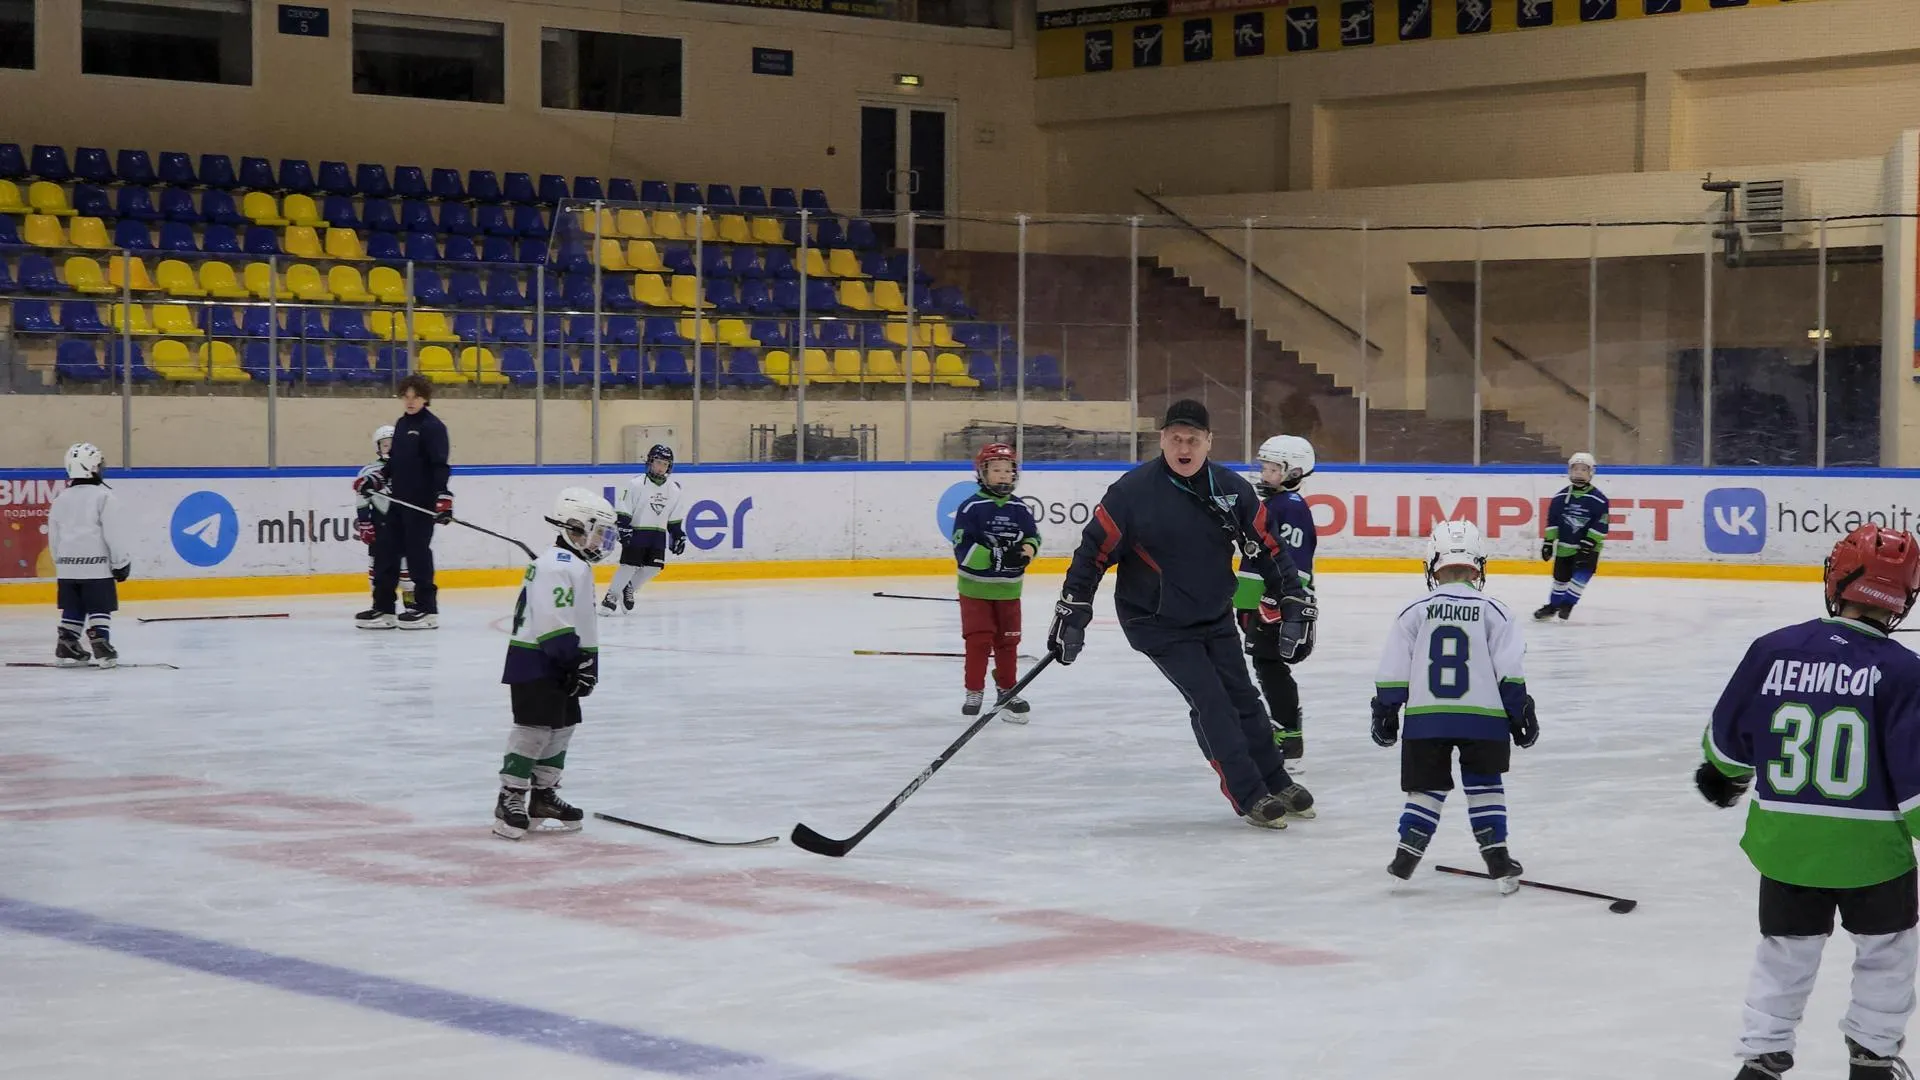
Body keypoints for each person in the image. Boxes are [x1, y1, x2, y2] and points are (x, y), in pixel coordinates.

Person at [1697, 524, 1920, 1080]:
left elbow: (1727, 740)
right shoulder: (1905, 672)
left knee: (1786, 950)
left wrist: (1723, 775)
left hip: (1787, 845)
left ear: (1838, 578)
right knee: (1886, 952)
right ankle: (1872, 1057)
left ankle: (1762, 1056)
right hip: (1873, 853)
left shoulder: (1772, 650)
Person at [1049, 399, 1318, 829]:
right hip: (1156, 621)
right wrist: (1073, 608)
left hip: (1213, 614)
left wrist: (1293, 596)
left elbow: (1267, 548)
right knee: (1212, 702)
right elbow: (1092, 552)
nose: (1184, 446)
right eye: (1175, 438)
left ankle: (1276, 780)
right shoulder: (1132, 493)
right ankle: (1249, 793)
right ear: (1162, 441)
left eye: (1193, 438)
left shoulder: (1232, 490)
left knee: (1245, 699)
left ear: (1209, 442)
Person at [1370, 520, 1538, 890]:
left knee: (1426, 788)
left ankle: (1406, 856)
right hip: (1485, 720)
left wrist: (1386, 709)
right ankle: (1497, 860)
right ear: (1478, 565)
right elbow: (1509, 669)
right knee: (1484, 785)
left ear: (1433, 564)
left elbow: (1394, 669)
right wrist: (1520, 709)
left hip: (1426, 720)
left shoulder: (1414, 611)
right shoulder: (1496, 611)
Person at [494, 487, 618, 840]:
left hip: (563, 660)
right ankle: (510, 797)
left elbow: (580, 620)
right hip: (537, 659)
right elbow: (553, 620)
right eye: (597, 531)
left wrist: (588, 663)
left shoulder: (571, 565)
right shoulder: (555, 565)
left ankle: (543, 797)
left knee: (561, 727)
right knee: (533, 729)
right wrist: (574, 661)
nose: (602, 540)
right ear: (575, 527)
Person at [1236, 434, 1318, 767]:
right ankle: (1285, 730)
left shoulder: (1291, 509)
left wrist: (1277, 602)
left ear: (1294, 472)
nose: (1265, 475)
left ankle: (1289, 735)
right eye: (1265, 467)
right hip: (1258, 603)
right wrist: (1244, 603)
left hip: (1276, 606)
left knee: (1270, 667)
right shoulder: (1271, 505)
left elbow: (1295, 563)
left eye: (1272, 469)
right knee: (1264, 666)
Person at [952, 443, 1041, 721]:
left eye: (1008, 470)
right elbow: (962, 548)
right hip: (975, 589)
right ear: (982, 473)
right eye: (996, 470)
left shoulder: (1020, 508)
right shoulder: (972, 507)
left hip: (1009, 589)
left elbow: (1033, 537)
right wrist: (998, 556)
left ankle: (1007, 689)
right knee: (978, 641)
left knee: (1008, 642)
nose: (1003, 475)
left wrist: (1027, 550)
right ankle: (974, 689)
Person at [357, 374, 451, 630]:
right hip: (397, 502)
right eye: (406, 396)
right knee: (386, 552)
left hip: (420, 504)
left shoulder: (433, 427)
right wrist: (376, 481)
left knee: (417, 555)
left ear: (425, 398)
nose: (410, 401)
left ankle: (426, 609)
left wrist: (443, 497)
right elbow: (394, 462)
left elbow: (439, 466)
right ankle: (384, 608)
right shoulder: (400, 424)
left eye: (416, 396)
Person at [47, 442, 131, 668]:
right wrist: (120, 562)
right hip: (96, 566)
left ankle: (67, 642)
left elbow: (54, 536)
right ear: (92, 467)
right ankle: (101, 644)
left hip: (67, 567)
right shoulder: (104, 497)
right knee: (98, 606)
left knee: (74, 605)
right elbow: (114, 533)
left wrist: (60, 562)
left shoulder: (60, 499)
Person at [601, 444, 686, 616]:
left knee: (654, 567)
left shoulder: (674, 490)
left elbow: (674, 517)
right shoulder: (636, 484)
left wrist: (678, 534)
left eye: (665, 464)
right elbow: (625, 507)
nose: (661, 467)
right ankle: (611, 596)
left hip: (658, 534)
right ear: (650, 462)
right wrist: (623, 526)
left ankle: (630, 587)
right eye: (658, 462)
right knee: (628, 565)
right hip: (637, 531)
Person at [1535, 452, 1609, 621]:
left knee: (1581, 575)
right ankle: (1553, 606)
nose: (1579, 473)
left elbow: (1601, 523)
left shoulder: (1598, 499)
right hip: (1565, 546)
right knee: (1560, 579)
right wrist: (1548, 542)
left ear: (1591, 472)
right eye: (1575, 469)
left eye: (1584, 469)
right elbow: (1553, 521)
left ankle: (1568, 603)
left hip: (1589, 547)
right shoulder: (1560, 498)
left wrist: (1589, 543)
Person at [352, 425, 414, 624]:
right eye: (385, 445)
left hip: (404, 525)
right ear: (378, 447)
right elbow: (362, 500)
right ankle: (381, 607)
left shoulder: (410, 468)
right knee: (379, 568)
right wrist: (365, 523)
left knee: (407, 570)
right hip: (381, 525)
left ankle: (412, 606)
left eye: (393, 445)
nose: (389, 448)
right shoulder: (369, 471)